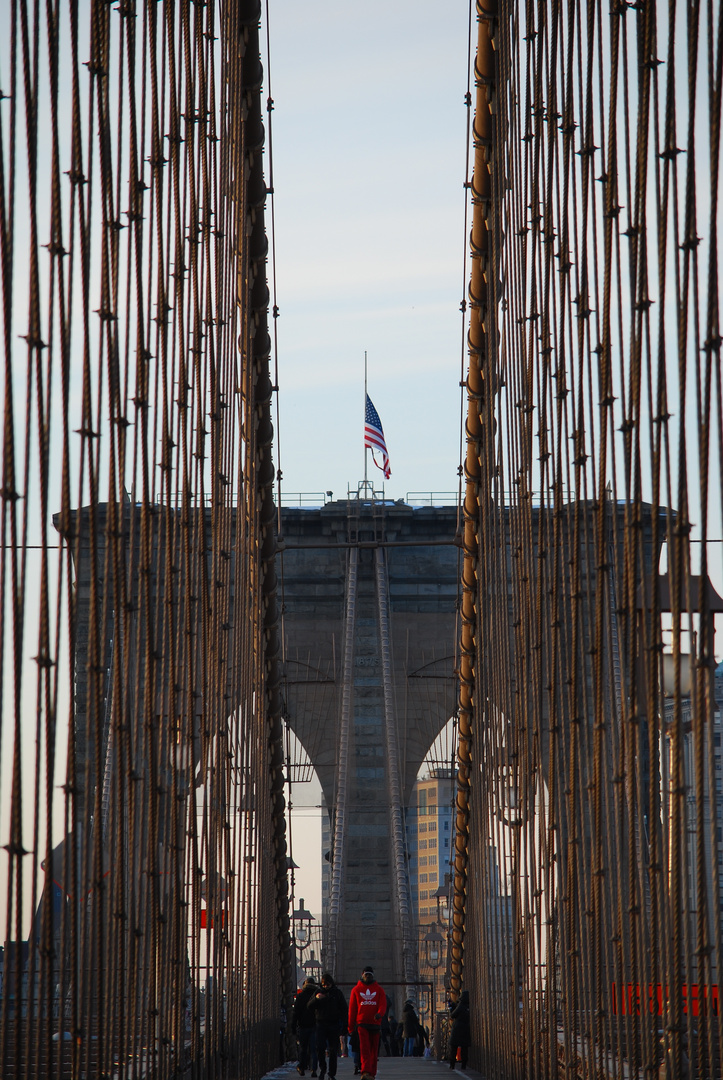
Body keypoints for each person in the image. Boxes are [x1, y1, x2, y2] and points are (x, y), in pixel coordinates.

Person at [348, 965, 387, 1080]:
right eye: (366, 975)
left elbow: (383, 1005)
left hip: (375, 1024)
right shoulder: (356, 990)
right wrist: (350, 1027)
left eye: (370, 975)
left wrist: (380, 1014)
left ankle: (372, 1073)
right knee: (364, 1049)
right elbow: (352, 1010)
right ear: (362, 975)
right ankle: (365, 1071)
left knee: (374, 1051)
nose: (368, 977)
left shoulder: (379, 990)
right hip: (362, 1024)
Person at [310, 972, 347, 1080]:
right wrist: (316, 999)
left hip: (333, 1025)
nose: (326, 986)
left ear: (332, 984)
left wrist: (344, 1025)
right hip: (320, 1024)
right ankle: (323, 1069)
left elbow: (344, 1010)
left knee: (333, 1050)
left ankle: (331, 1073)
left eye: (328, 984)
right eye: (324, 984)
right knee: (320, 1048)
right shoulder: (318, 992)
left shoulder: (337, 994)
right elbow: (309, 1006)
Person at [293, 977, 319, 1076]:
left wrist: (293, 1026)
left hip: (303, 1026)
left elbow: (296, 1013)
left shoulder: (300, 996)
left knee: (303, 1048)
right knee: (313, 1049)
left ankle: (302, 1067)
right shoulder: (317, 995)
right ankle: (314, 1069)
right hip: (314, 1025)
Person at [448, 989, 470, 1069]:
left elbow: (453, 1015)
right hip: (466, 1029)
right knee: (464, 1048)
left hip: (457, 1029)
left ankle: (452, 1065)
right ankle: (464, 1065)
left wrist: (452, 1008)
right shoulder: (469, 1006)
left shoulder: (460, 1005)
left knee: (454, 1047)